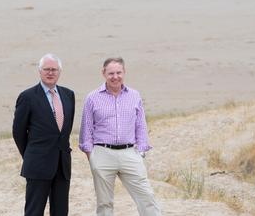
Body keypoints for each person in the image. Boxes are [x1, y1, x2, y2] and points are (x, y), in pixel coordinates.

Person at [79, 57, 161, 216]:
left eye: (118, 72)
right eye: (111, 73)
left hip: (130, 153)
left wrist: (141, 152)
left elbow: (141, 125)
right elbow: (86, 130)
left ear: (124, 72)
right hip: (102, 153)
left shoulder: (134, 95)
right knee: (104, 203)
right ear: (103, 73)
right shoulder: (92, 97)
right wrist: (92, 157)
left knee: (147, 197)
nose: (115, 77)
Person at [13, 53, 75, 216]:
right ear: (39, 71)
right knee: (34, 211)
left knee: (61, 211)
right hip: (37, 164)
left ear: (59, 72)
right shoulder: (27, 97)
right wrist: (30, 154)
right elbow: (18, 132)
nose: (50, 73)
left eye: (54, 69)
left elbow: (64, 131)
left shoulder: (69, 95)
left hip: (62, 165)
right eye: (46, 69)